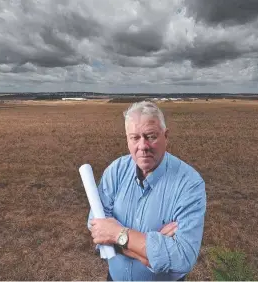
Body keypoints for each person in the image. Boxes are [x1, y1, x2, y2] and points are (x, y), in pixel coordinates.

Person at [87, 101, 206, 281]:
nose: (142, 146)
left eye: (150, 136)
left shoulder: (189, 184)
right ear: (127, 139)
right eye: (135, 137)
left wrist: (118, 234)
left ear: (166, 136)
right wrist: (149, 251)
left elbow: (182, 258)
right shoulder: (116, 170)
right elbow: (96, 226)